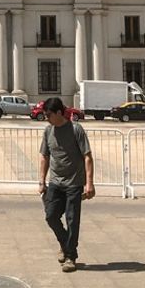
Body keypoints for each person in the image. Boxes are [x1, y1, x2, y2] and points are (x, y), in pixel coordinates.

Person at [38, 96, 94, 272]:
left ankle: (70, 256)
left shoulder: (76, 129)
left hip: (73, 183)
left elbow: (87, 157)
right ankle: (64, 243)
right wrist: (42, 182)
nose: (46, 117)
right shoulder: (48, 131)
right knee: (51, 216)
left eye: (48, 114)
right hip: (55, 182)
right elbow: (44, 157)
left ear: (59, 113)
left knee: (72, 220)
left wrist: (89, 184)